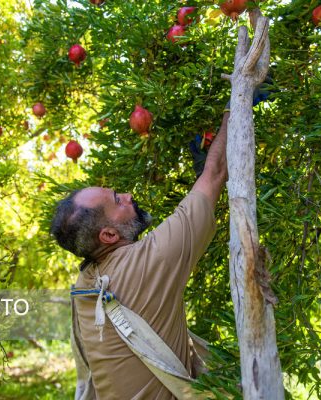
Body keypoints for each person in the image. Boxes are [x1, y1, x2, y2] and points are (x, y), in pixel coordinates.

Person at [50, 108, 229, 399]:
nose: (129, 196)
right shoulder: (150, 261)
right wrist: (233, 107)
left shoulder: (86, 284)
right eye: (118, 200)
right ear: (108, 235)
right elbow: (217, 172)